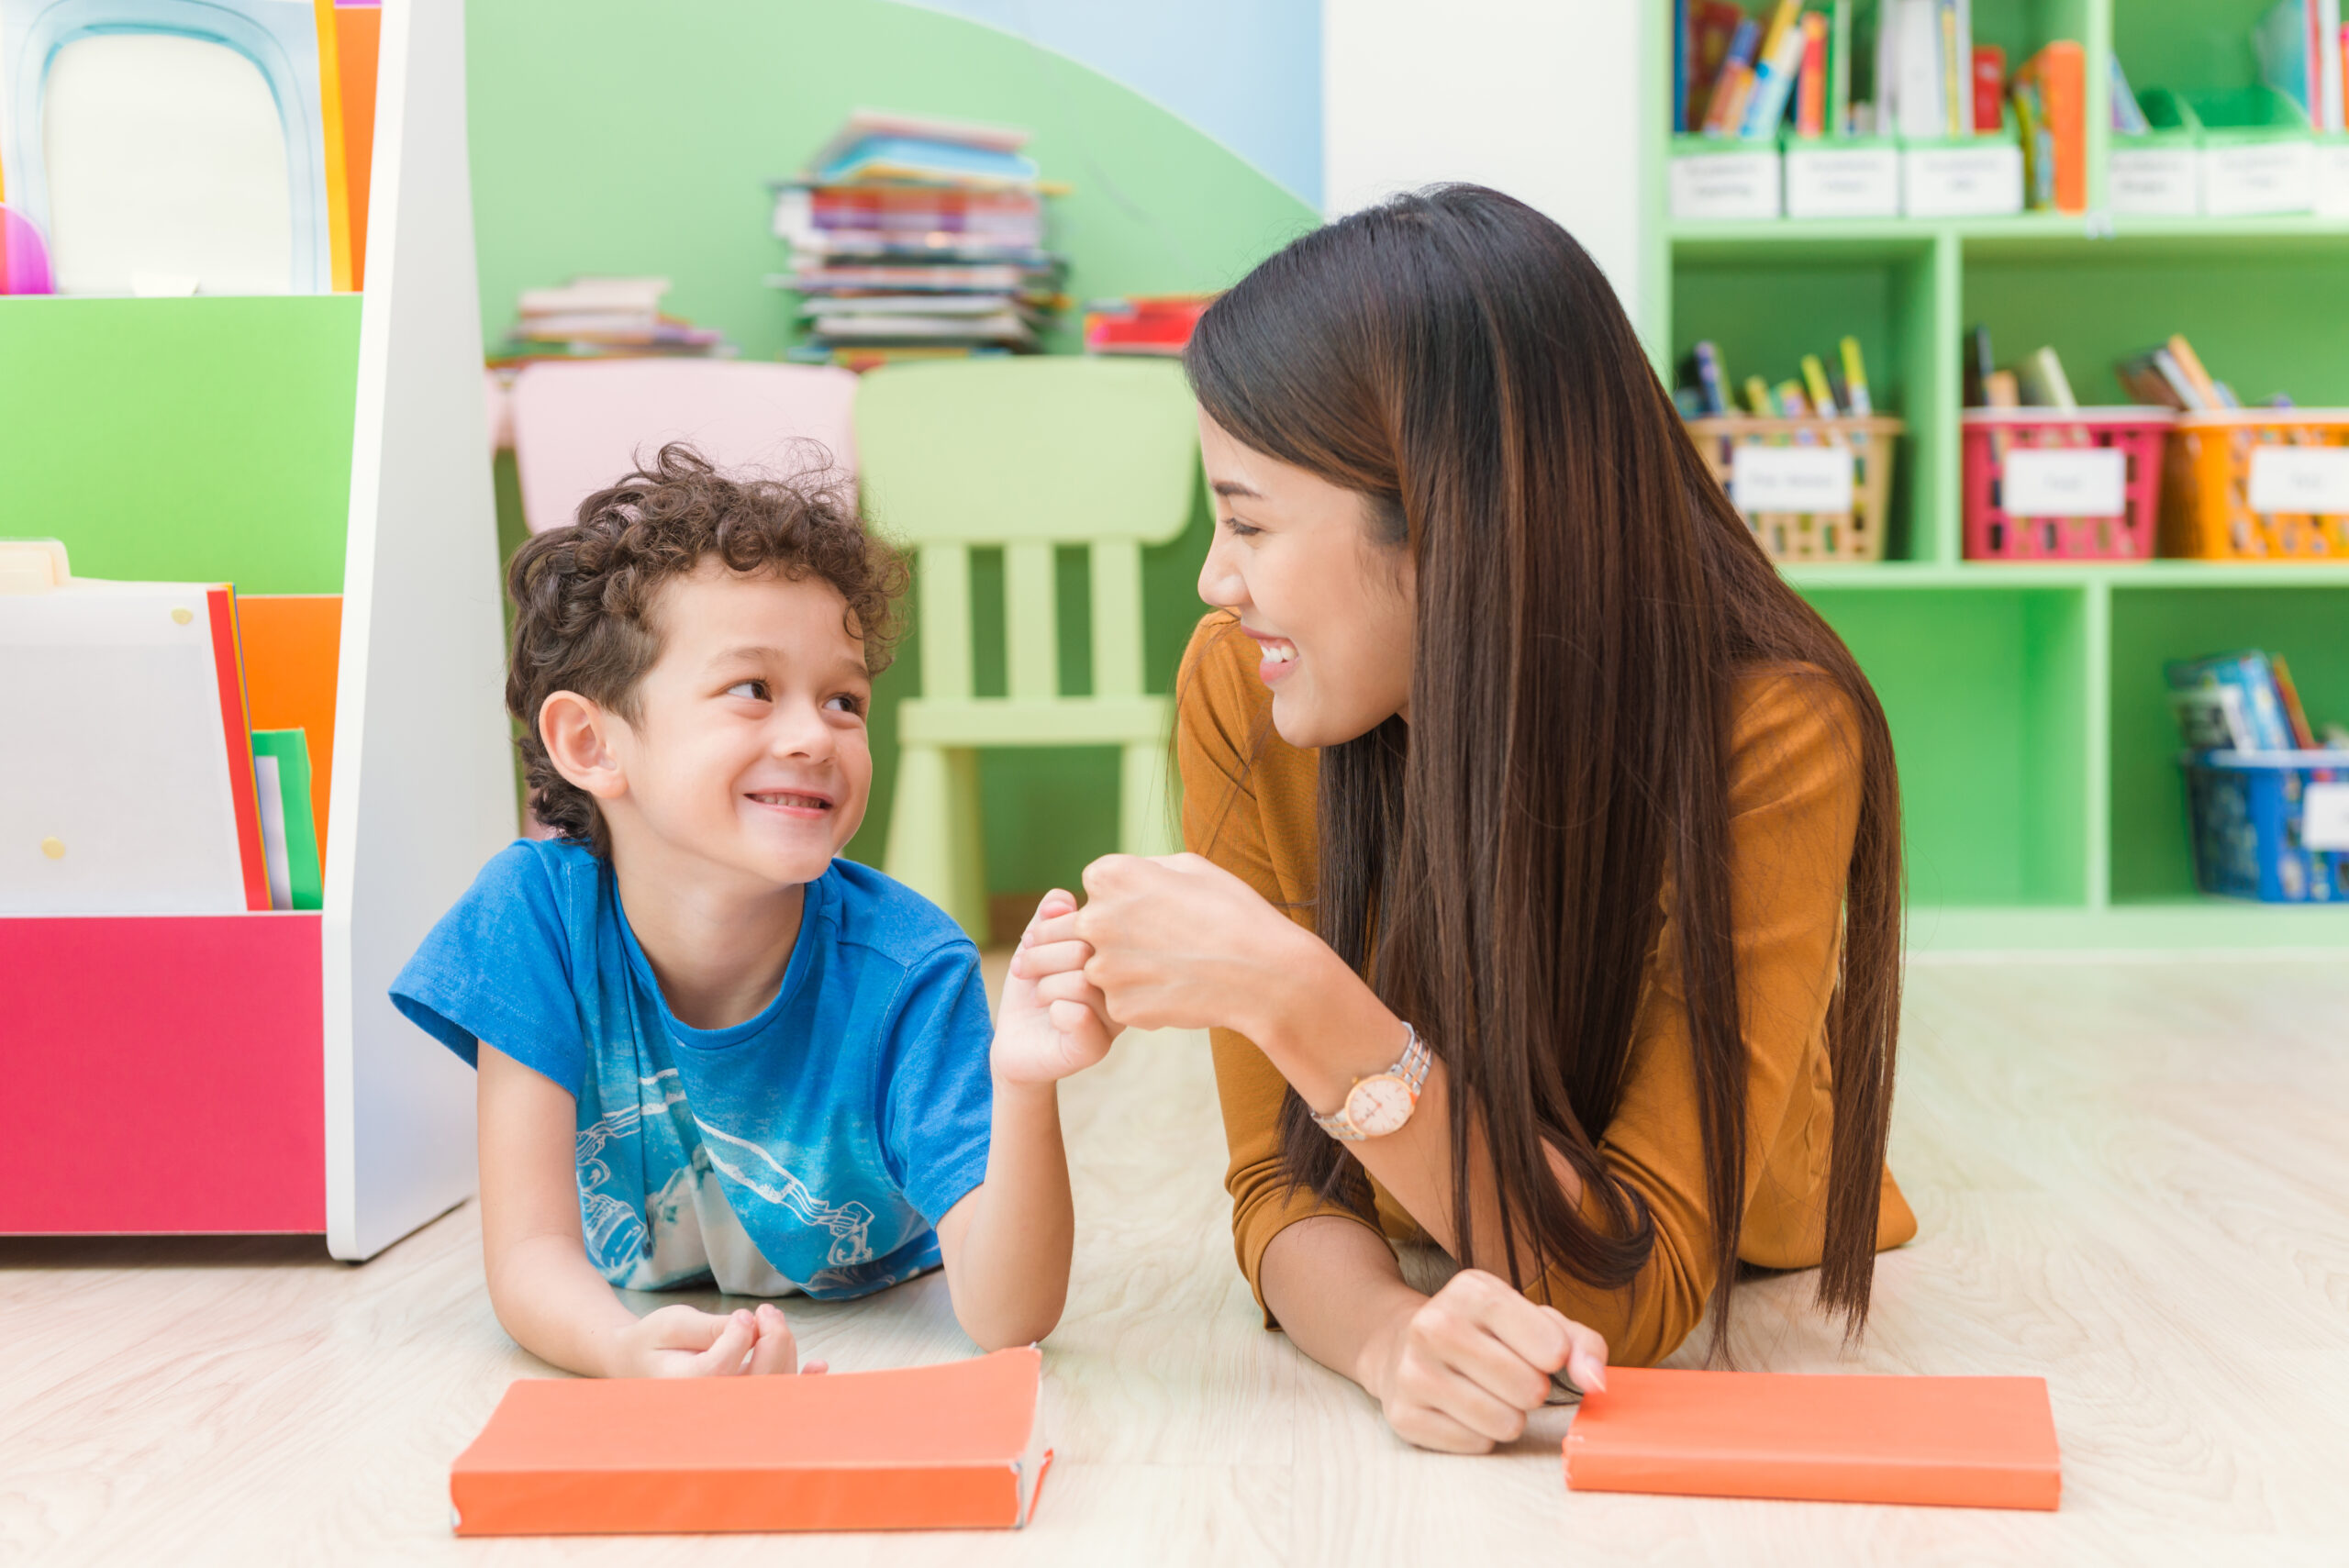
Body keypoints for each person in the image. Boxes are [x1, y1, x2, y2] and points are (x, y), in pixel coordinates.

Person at [1042, 185, 1918, 1453]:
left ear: (1449, 527)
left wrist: (1293, 992)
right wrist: (1389, 1335)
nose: (1215, 579)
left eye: (1247, 521)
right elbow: (1283, 1186)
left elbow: (1639, 1283)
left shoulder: (1771, 732)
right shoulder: (1242, 682)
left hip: (1740, 1267)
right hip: (1428, 1230)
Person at [391, 445, 1115, 1378]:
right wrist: (618, 1347)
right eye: (753, 689)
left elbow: (1008, 1315)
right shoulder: (531, 916)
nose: (815, 734)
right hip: (636, 1298)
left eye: (844, 698)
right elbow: (530, 1253)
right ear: (591, 742)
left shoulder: (910, 966)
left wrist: (1023, 1085)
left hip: (872, 1298)